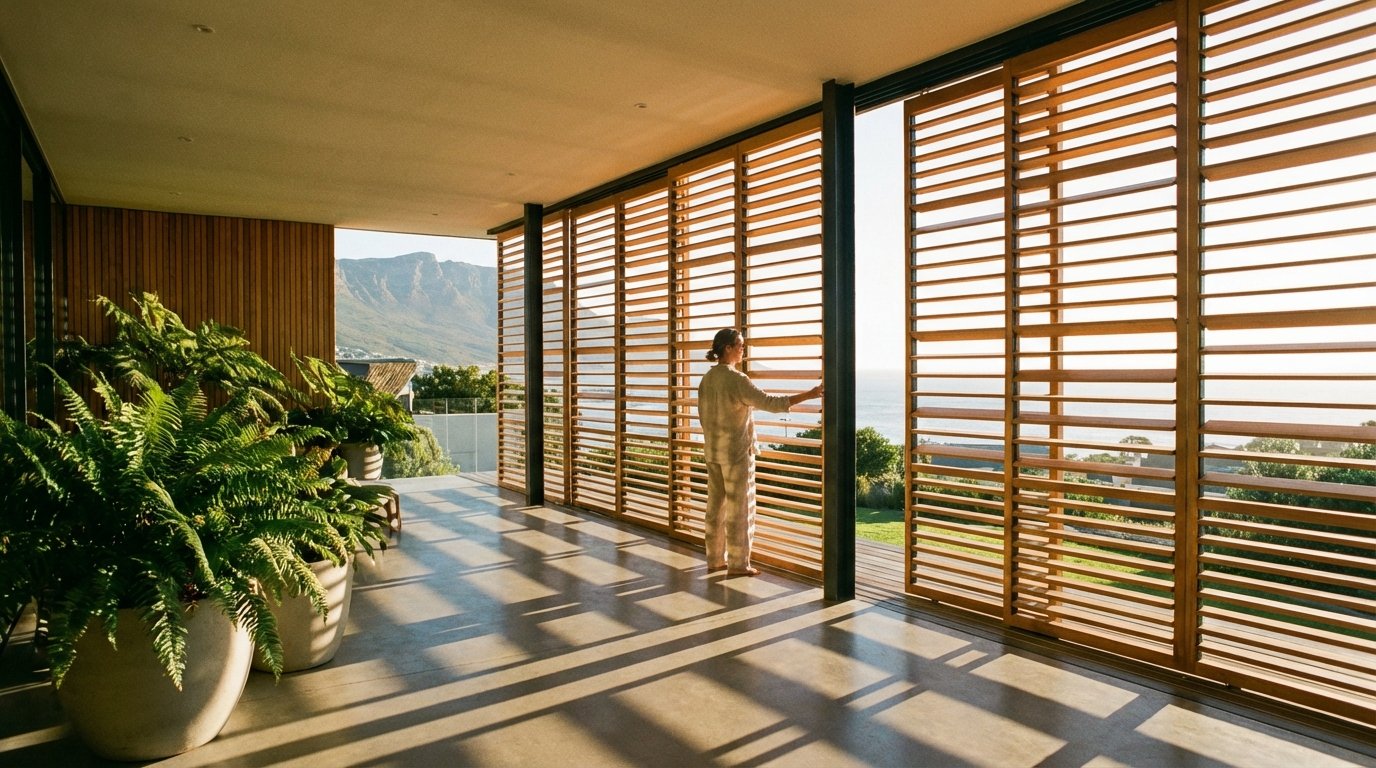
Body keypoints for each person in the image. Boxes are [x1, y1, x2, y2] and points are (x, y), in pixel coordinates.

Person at [697, 328, 823, 576]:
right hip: (735, 454)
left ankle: (714, 559)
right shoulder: (736, 379)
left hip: (713, 452)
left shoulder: (707, 380)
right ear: (728, 348)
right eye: (740, 345)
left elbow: (703, 416)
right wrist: (810, 394)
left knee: (715, 508)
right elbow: (771, 403)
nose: (744, 349)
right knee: (739, 509)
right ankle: (738, 564)